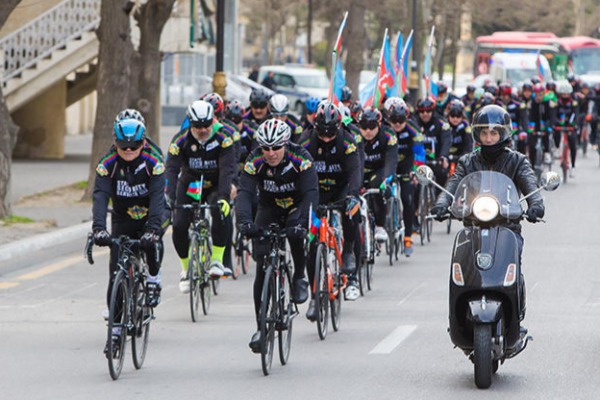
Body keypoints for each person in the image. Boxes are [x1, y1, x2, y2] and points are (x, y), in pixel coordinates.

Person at [430, 104, 545, 327]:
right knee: (461, 268)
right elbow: (453, 184)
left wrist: (536, 205)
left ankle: (515, 316)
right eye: (484, 132)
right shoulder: (467, 161)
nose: (489, 137)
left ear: (503, 133)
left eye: (493, 132)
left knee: (513, 265)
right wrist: (441, 204)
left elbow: (530, 183)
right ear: (477, 134)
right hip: (473, 225)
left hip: (507, 226)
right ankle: (457, 317)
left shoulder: (517, 160)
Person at [236, 118, 318, 352]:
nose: (271, 153)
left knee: (294, 234)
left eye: (276, 148)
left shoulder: (300, 159)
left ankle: (300, 275)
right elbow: (244, 194)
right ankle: (261, 328)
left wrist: (303, 223)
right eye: (266, 148)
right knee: (262, 267)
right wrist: (244, 222)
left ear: (285, 144)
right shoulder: (254, 161)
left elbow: (312, 194)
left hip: (296, 207)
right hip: (269, 208)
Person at [92, 117, 169, 352]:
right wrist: (98, 229)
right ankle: (115, 331)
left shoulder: (153, 163)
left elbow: (158, 199)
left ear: (142, 143)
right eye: (123, 146)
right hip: (123, 216)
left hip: (152, 214)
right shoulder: (107, 164)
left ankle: (154, 278)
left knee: (150, 243)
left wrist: (153, 230)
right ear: (115, 143)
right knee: (116, 270)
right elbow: (100, 196)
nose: (128, 151)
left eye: (133, 146)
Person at [166, 100, 236, 293]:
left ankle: (217, 260)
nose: (203, 130)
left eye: (207, 125)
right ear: (190, 123)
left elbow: (226, 170)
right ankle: (186, 269)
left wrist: (224, 197)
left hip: (214, 184)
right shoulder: (180, 140)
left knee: (219, 210)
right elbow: (171, 170)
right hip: (190, 184)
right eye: (198, 126)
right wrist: (169, 197)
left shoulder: (224, 138)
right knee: (179, 224)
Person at [300, 101, 362, 305]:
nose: (326, 139)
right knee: (310, 243)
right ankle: (314, 293)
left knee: (352, 210)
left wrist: (353, 195)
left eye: (331, 135)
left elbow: (355, 171)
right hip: (316, 192)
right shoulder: (306, 141)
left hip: (340, 189)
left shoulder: (348, 142)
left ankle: (349, 251)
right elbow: (298, 173)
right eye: (322, 135)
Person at [385, 100, 423, 256]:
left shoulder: (413, 129)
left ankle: (408, 237)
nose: (397, 124)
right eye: (394, 121)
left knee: (407, 199)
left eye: (401, 121)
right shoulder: (385, 130)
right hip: (389, 165)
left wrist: (416, 170)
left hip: (407, 166)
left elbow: (420, 152)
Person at [359, 106, 399, 243]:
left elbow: (391, 159)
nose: (368, 131)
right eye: (364, 127)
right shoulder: (355, 137)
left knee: (377, 187)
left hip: (379, 170)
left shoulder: (388, 135)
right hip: (360, 170)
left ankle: (379, 226)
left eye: (372, 127)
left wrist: (387, 180)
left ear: (379, 124)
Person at [553, 80, 579, 177]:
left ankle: (573, 166)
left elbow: (576, 115)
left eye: (567, 93)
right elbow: (553, 115)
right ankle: (556, 148)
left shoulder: (574, 103)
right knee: (555, 133)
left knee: (572, 142)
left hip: (570, 125)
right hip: (559, 124)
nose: (565, 95)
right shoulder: (556, 102)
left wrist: (574, 125)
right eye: (563, 93)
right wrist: (555, 124)